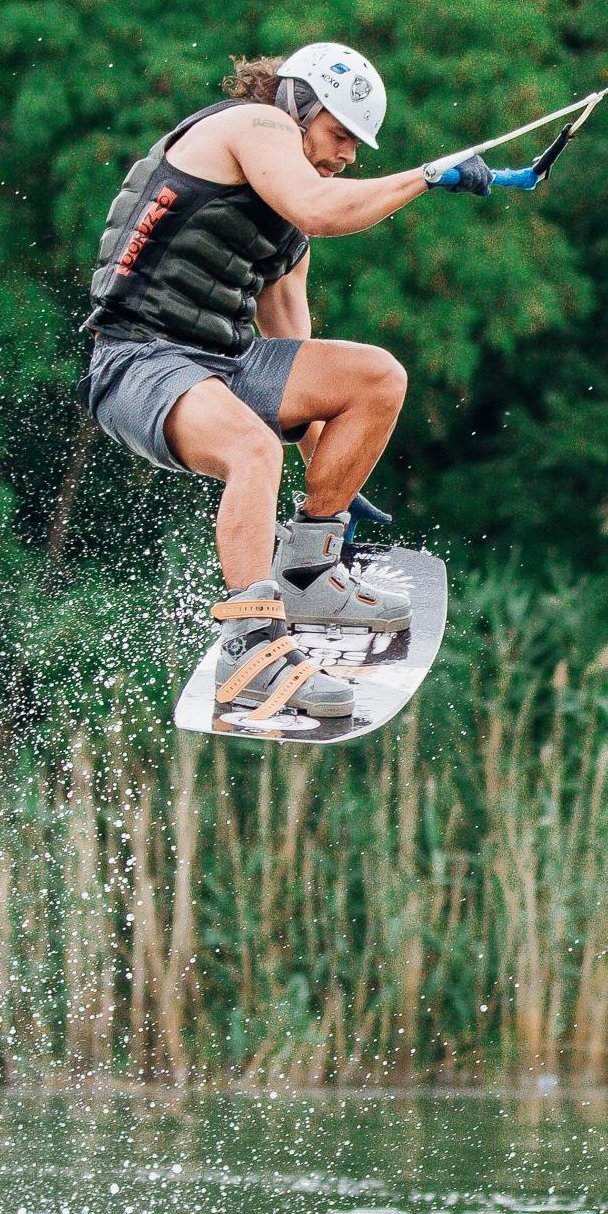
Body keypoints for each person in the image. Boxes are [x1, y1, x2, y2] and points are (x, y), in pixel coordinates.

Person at [79, 42, 517, 721]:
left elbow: (294, 354)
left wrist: (332, 480)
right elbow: (320, 206)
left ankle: (310, 570)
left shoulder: (286, 222)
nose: (347, 155)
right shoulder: (253, 127)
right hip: (138, 361)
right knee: (252, 449)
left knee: (374, 377)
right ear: (298, 105)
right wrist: (427, 176)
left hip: (222, 363)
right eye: (339, 135)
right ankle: (250, 648)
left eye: (355, 146)